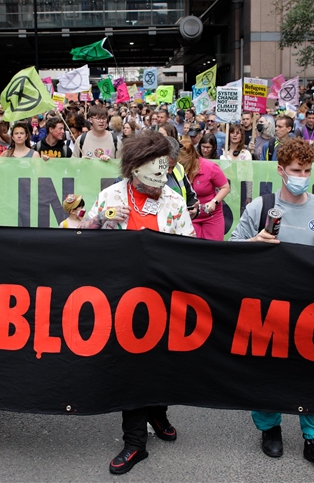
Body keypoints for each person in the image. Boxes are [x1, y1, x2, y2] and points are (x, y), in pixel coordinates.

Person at [230, 138, 314, 476]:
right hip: (267, 307)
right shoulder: (260, 207)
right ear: (281, 170)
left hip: (312, 309)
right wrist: (253, 243)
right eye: (297, 170)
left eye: (308, 170)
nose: (303, 177)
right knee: (265, 371)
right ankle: (270, 428)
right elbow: (231, 251)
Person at [79, 131, 193, 475]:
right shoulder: (111, 195)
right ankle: (135, 443)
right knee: (132, 371)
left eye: (165, 169)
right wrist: (102, 220)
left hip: (164, 300)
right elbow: (82, 238)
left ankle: (158, 412)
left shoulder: (173, 201)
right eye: (154, 170)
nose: (161, 177)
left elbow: (189, 248)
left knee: (163, 366)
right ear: (134, 168)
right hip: (122, 301)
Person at [179, 135, 229, 240]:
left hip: (211, 215)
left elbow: (225, 187)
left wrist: (214, 202)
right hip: (191, 215)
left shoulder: (210, 167)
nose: (181, 166)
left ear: (191, 159)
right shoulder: (179, 170)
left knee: (213, 247)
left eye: (183, 164)